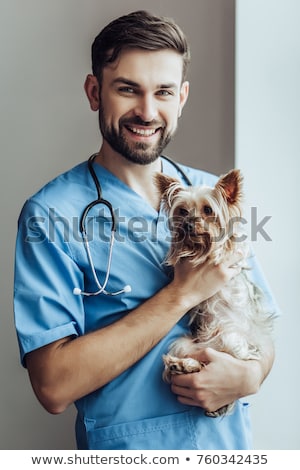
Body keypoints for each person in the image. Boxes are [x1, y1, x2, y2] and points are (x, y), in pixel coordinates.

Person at [14, 10, 276, 450]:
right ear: (95, 92)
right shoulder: (51, 215)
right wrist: (183, 293)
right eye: (128, 89)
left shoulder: (215, 199)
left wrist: (249, 375)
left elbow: (262, 326)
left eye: (163, 92)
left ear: (182, 98)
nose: (147, 111)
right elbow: (53, 386)